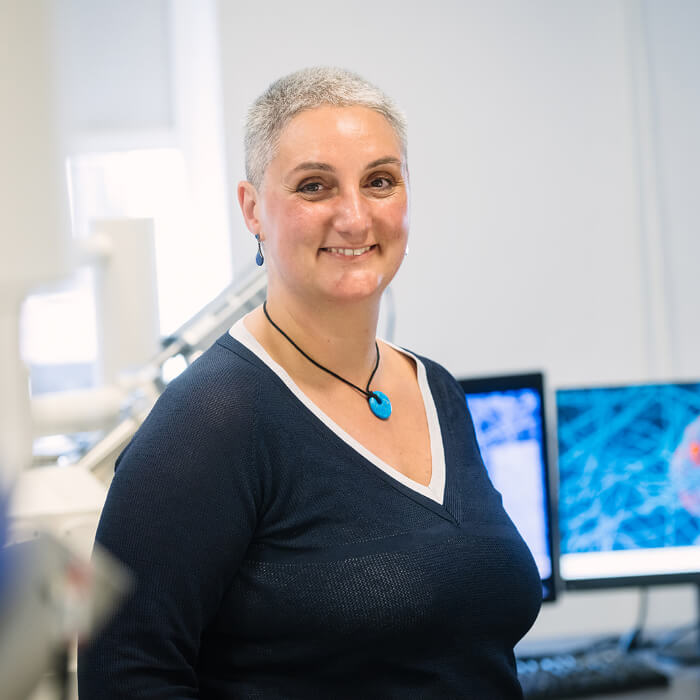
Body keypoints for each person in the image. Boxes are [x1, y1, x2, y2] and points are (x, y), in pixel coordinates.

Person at [78, 66, 542, 699]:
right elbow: (125, 675)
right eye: (315, 186)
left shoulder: (436, 391)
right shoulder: (211, 421)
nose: (354, 217)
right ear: (253, 211)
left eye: (380, 181)